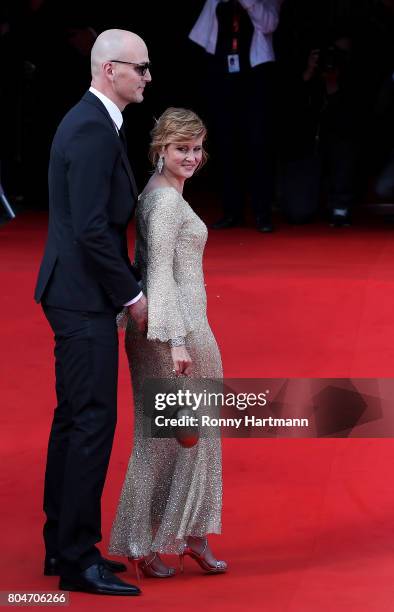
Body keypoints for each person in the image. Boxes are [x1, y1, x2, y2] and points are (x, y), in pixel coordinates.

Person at [34, 29, 151, 596]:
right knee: (90, 424)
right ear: (111, 71)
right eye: (142, 68)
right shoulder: (91, 128)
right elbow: (90, 229)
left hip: (75, 293)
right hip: (82, 298)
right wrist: (132, 294)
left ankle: (62, 547)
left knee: (74, 420)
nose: (148, 78)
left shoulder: (94, 123)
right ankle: (79, 559)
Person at [109, 108, 227, 578]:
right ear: (160, 149)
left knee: (191, 439)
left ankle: (189, 535)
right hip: (175, 334)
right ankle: (143, 540)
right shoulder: (162, 204)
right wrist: (177, 341)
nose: (192, 157)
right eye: (182, 148)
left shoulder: (163, 194)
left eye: (197, 148)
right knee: (161, 441)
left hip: (179, 328)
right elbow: (156, 276)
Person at [188, 0, 281, 233]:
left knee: (257, 144)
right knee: (226, 143)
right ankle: (232, 211)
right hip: (223, 71)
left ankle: (262, 212)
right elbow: (201, 33)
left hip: (255, 75)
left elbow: (270, 24)